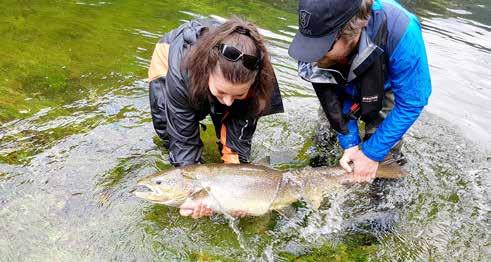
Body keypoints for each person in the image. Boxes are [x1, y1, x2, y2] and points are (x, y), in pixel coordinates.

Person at [148, 17, 283, 218]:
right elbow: (182, 140)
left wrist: (238, 191)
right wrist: (191, 197)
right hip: (169, 63)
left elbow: (239, 135)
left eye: (237, 95)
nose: (228, 102)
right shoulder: (180, 73)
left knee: (235, 151)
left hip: (227, 79)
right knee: (169, 134)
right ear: (207, 71)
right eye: (221, 93)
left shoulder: (261, 78)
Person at [288, 0, 431, 182]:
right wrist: (350, 143)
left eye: (322, 49)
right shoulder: (316, 24)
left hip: (382, 84)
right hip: (337, 79)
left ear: (351, 32)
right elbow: (331, 100)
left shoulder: (401, 30)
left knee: (383, 156)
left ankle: (383, 202)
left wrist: (371, 153)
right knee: (325, 139)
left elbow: (412, 102)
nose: (312, 58)